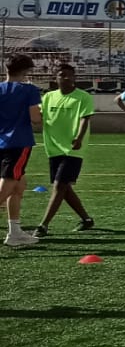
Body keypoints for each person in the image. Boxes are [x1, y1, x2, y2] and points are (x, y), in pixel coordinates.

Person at [35, 63, 94, 236]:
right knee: (64, 188)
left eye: (70, 75)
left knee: (60, 185)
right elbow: (38, 117)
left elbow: (85, 119)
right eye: (62, 75)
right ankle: (86, 219)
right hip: (53, 148)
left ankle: (43, 225)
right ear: (56, 78)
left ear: (75, 77)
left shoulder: (83, 97)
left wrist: (79, 138)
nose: (66, 77)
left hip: (73, 149)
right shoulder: (48, 97)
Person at [0, 53, 38, 248]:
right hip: (18, 142)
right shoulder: (29, 90)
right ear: (25, 71)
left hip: (2, 142)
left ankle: (14, 232)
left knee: (19, 185)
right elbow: (36, 118)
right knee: (8, 186)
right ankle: (14, 232)